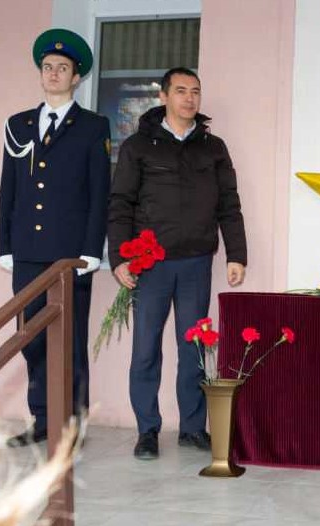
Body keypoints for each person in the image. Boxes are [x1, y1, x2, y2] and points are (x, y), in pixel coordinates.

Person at [107, 67, 247, 460]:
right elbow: (120, 203)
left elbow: (229, 204)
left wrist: (236, 255)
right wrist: (119, 257)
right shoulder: (138, 146)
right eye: (181, 90)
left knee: (194, 349)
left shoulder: (213, 147)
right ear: (164, 96)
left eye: (195, 91)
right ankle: (147, 430)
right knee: (146, 348)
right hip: (151, 265)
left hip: (196, 263)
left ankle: (192, 428)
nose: (189, 98)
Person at [0, 29, 111, 446]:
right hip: (27, 251)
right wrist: (5, 245)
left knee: (70, 340)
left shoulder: (93, 126)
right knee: (31, 338)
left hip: (69, 255)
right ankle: (43, 419)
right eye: (48, 67)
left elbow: (99, 193)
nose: (54, 73)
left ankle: (73, 423)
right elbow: (8, 189)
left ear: (76, 77)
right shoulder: (19, 125)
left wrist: (91, 250)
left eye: (62, 68)